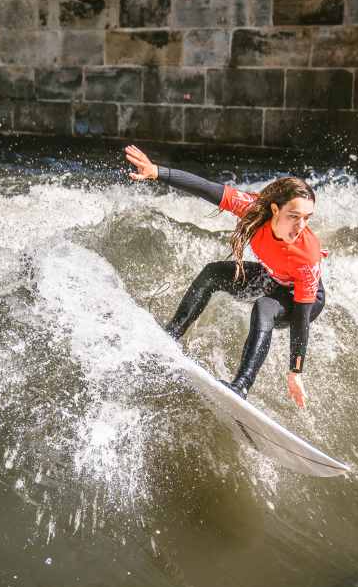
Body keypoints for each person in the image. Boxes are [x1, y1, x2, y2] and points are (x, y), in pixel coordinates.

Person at [124, 145, 327, 409]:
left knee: (264, 307)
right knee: (213, 273)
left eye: (307, 218)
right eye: (294, 216)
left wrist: (295, 371)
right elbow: (207, 189)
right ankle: (170, 336)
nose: (301, 226)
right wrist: (156, 172)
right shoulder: (255, 211)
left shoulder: (307, 254)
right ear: (275, 210)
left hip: (301, 302)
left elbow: (301, 318)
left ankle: (240, 385)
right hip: (272, 277)